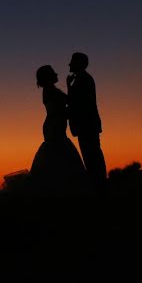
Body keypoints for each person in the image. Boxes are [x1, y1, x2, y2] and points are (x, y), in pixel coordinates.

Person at [29, 65, 88, 196]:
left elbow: (68, 101)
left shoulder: (52, 90)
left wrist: (69, 86)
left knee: (58, 155)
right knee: (57, 154)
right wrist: (70, 112)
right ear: (48, 77)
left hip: (56, 126)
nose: (57, 75)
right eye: (53, 73)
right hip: (53, 128)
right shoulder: (49, 91)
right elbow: (56, 111)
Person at [66, 52, 107, 194]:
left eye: (72, 61)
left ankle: (99, 188)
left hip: (87, 125)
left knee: (92, 157)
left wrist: (69, 88)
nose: (69, 64)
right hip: (87, 125)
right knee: (92, 156)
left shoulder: (84, 80)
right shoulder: (82, 79)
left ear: (79, 63)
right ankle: (99, 185)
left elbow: (77, 103)